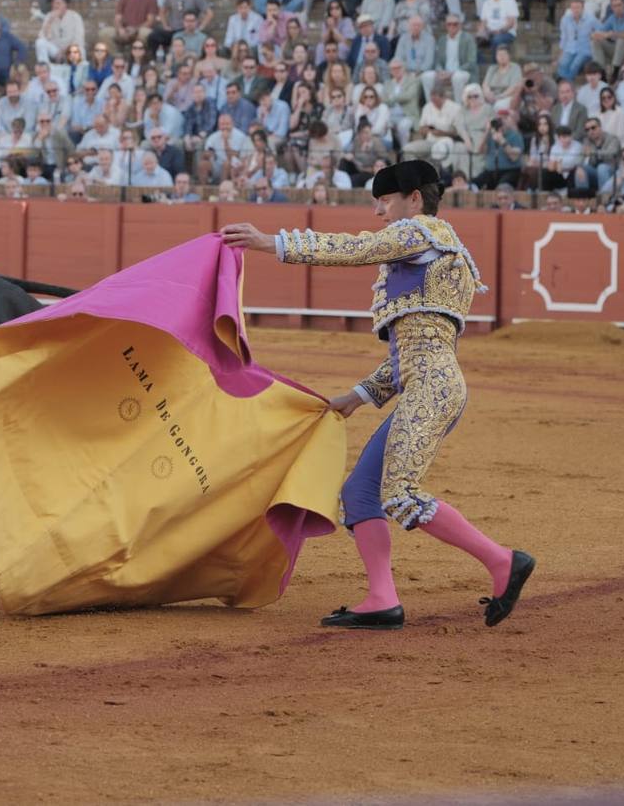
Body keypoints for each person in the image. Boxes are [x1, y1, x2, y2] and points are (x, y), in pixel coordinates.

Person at [220, 160, 535, 631]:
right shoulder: (431, 249)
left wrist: (273, 243)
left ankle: (503, 561)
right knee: (360, 492)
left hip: (431, 386)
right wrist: (357, 395)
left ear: (413, 198)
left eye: (384, 201)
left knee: (400, 494)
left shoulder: (422, 232)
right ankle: (381, 599)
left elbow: (358, 248)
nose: (378, 212)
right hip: (423, 382)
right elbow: (412, 348)